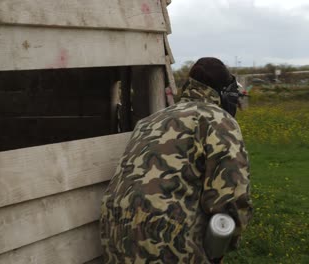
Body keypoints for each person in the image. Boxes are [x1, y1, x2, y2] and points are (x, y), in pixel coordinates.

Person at [100, 57, 252, 263]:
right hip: (165, 238)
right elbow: (231, 197)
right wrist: (224, 243)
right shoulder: (218, 120)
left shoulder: (149, 120)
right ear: (224, 92)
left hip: (115, 230)